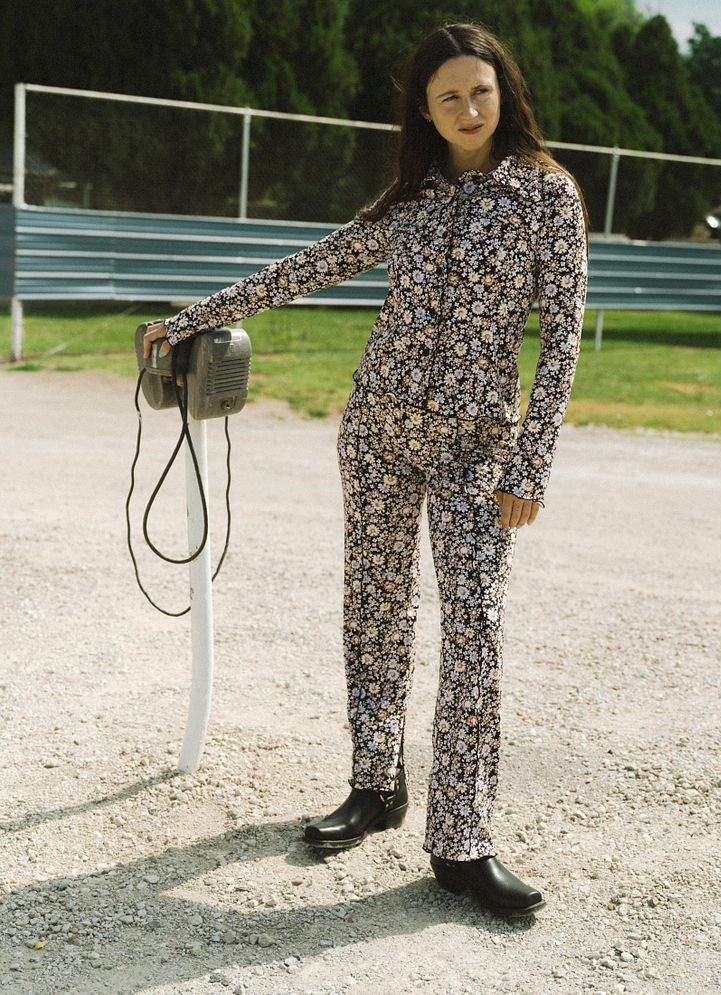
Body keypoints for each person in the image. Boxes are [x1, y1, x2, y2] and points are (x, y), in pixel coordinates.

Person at [144, 21, 589, 919]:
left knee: (475, 627)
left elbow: (563, 338)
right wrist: (198, 315)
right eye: (449, 97)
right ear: (426, 111)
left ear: (505, 92)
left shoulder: (548, 195)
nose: (470, 109)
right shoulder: (411, 196)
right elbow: (312, 265)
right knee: (374, 607)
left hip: (476, 447)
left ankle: (463, 840)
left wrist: (530, 462)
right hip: (378, 431)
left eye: (482, 90)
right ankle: (376, 782)